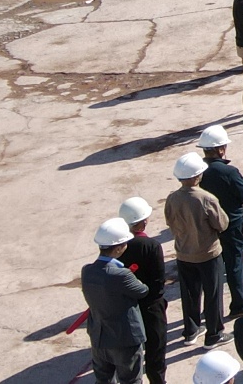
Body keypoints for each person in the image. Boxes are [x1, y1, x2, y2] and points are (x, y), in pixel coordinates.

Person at [166, 154, 229, 346]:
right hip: (208, 253)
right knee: (213, 294)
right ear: (197, 176)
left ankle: (191, 331)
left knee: (190, 293)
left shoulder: (172, 198)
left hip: (184, 253)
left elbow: (170, 221)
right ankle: (214, 334)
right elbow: (222, 224)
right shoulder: (206, 198)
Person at [84, 218, 150, 384]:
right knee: (131, 380)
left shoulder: (87, 271)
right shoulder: (121, 274)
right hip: (124, 340)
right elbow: (142, 290)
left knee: (103, 380)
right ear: (119, 248)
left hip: (99, 337)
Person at [196, 126, 243, 316]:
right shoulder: (228, 172)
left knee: (213, 267)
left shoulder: (197, 173)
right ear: (220, 149)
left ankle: (211, 310)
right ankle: (238, 304)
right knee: (234, 263)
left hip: (207, 227)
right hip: (231, 224)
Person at [115, 197, 167, 384]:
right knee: (156, 350)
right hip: (151, 307)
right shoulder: (151, 246)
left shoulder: (116, 246)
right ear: (144, 221)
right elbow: (158, 283)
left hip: (126, 307)